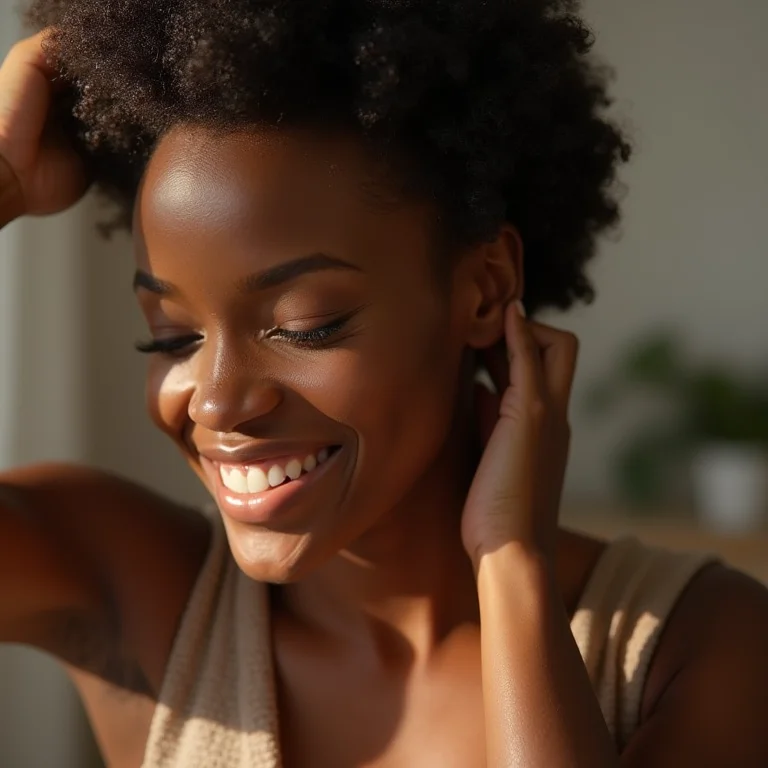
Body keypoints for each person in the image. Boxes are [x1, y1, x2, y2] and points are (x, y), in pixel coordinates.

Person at [1, 2, 767, 766]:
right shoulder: (124, 584)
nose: (216, 400)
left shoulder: (705, 641)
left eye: (305, 325)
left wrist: (511, 564)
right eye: (173, 336)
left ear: (484, 289)